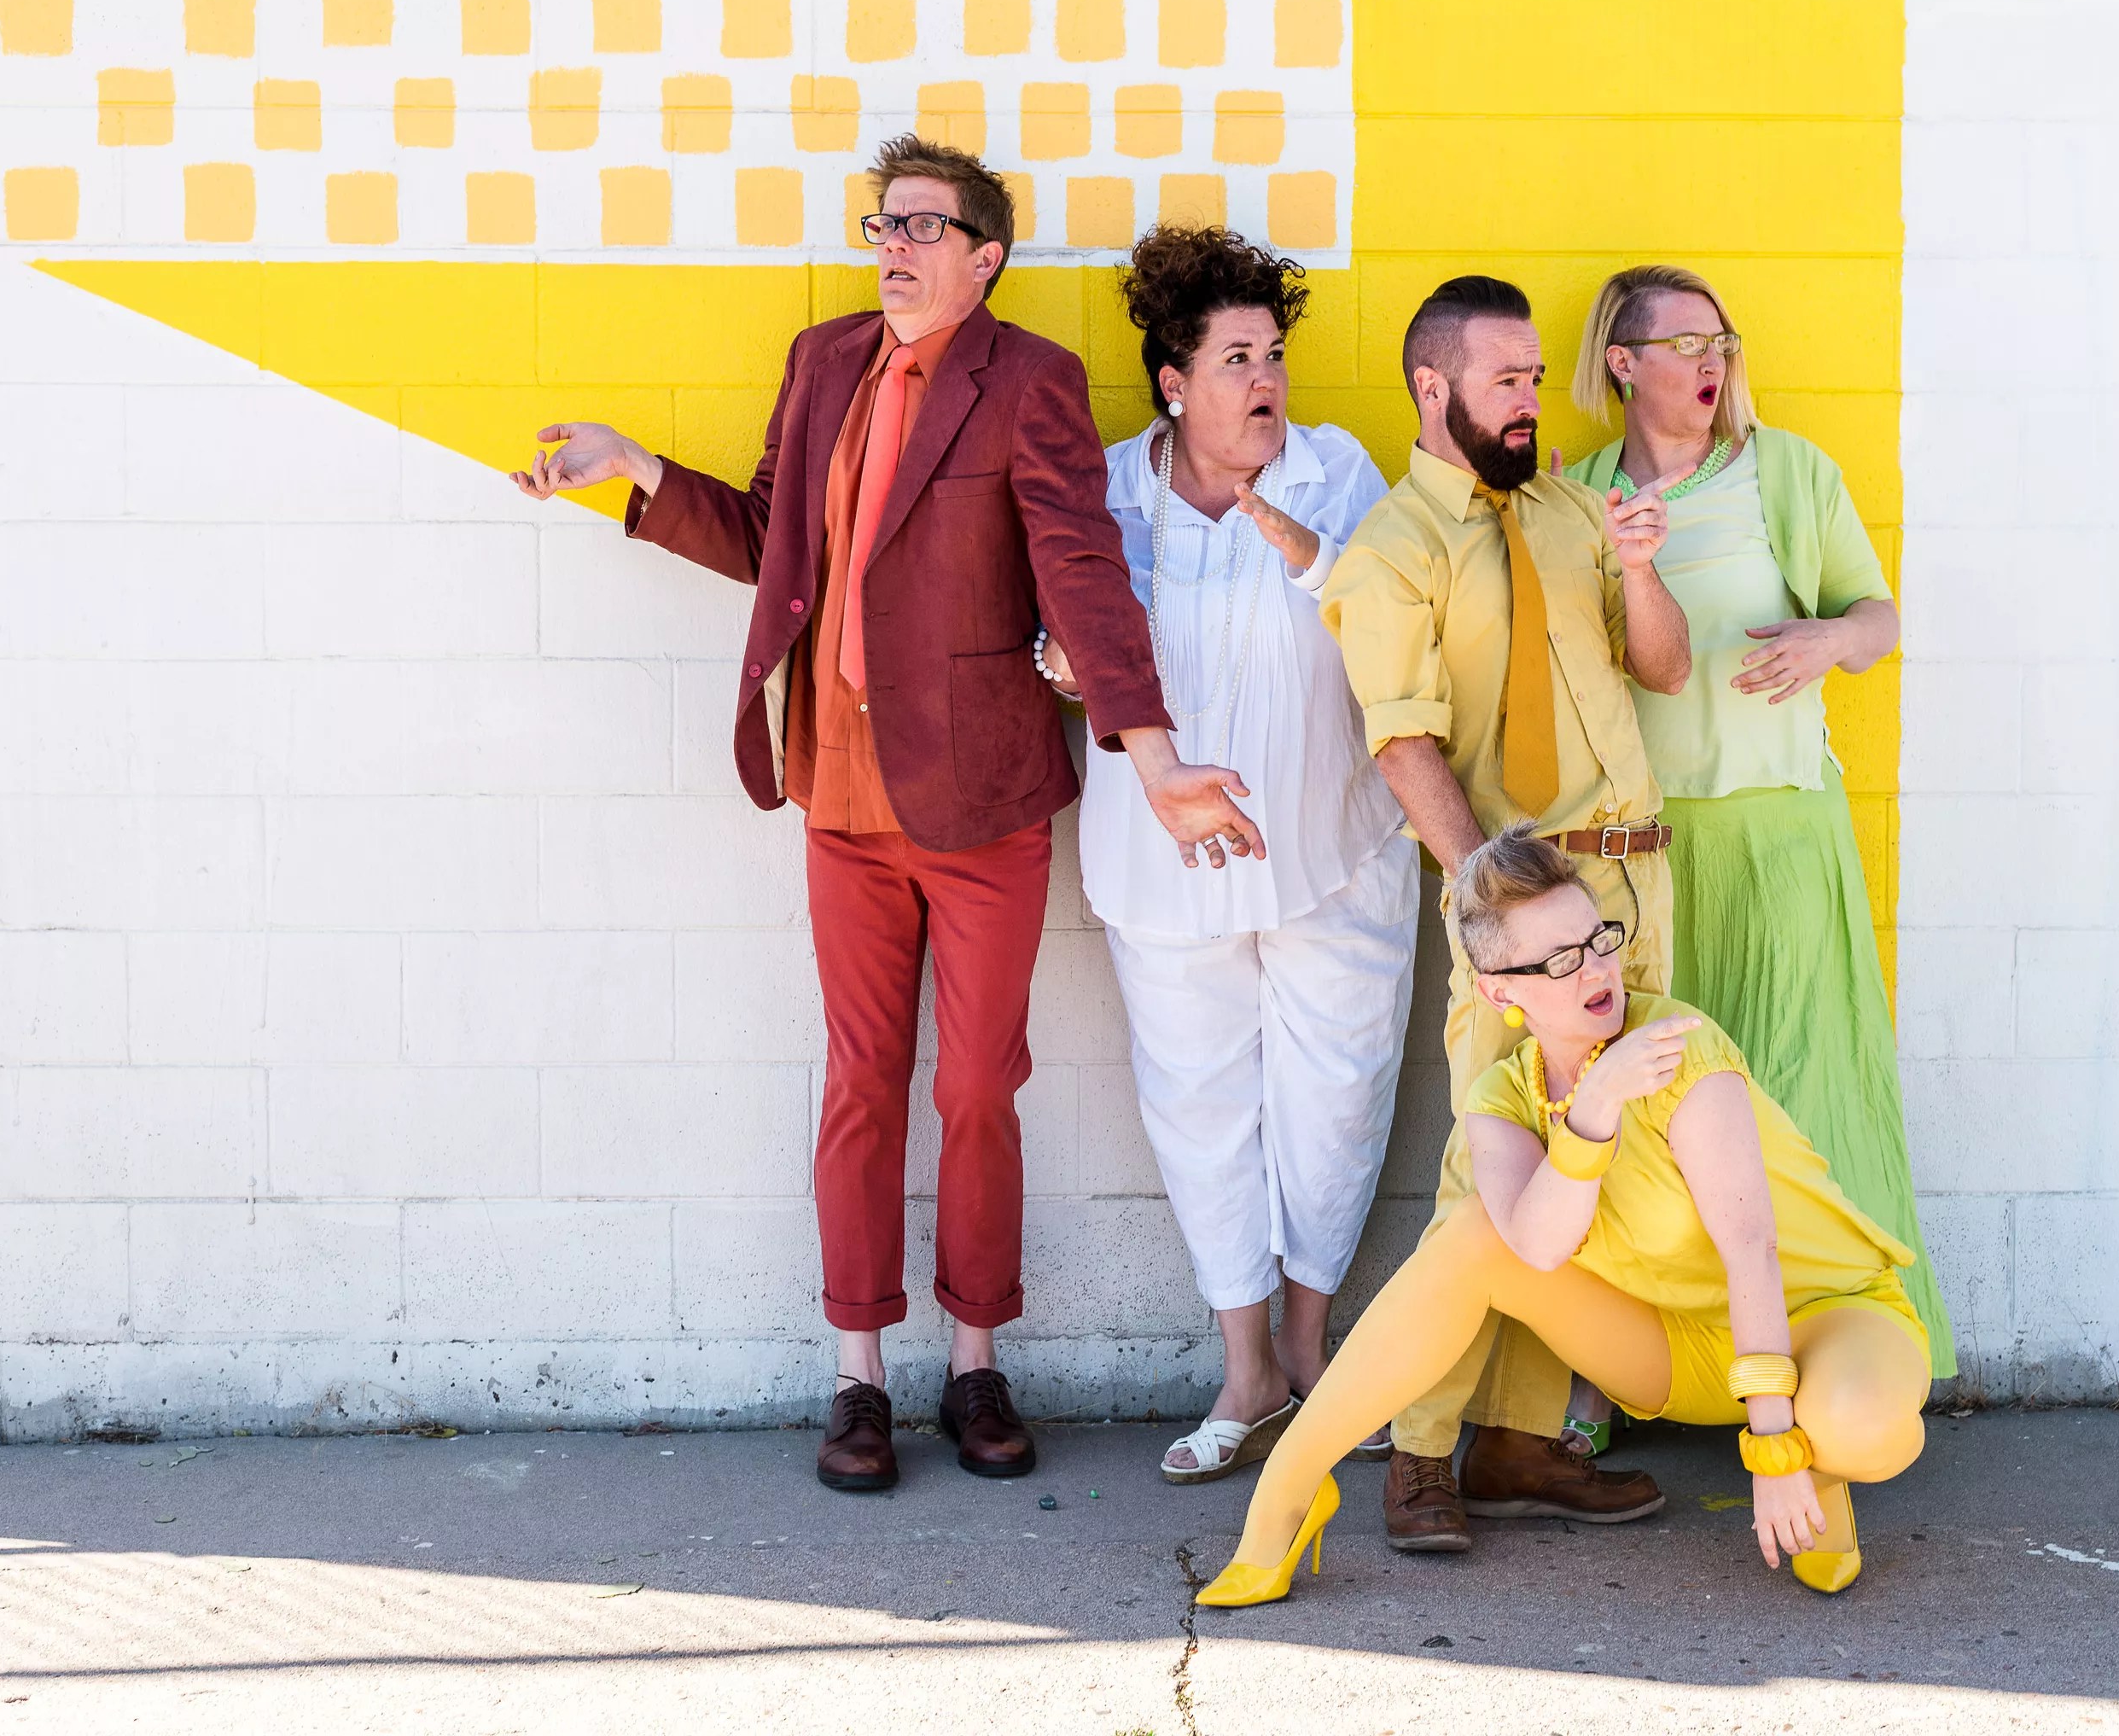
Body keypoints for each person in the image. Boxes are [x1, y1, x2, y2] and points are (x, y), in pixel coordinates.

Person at [511, 136, 1266, 1494]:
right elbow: (770, 544)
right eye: (883, 221)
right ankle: (858, 1375)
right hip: (840, 793)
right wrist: (635, 472)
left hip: (982, 803)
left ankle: (974, 1361)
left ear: (986, 256)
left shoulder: (1030, 380)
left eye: (924, 225)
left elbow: (1083, 577)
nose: (894, 243)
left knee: (978, 1087)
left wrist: (1152, 758)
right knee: (860, 1084)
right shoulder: (823, 365)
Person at [1194, 824, 1933, 1610]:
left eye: (1598, 940)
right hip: (1680, 1353)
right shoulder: (1504, 1100)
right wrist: (1596, 1108)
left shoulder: (1680, 1049)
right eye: (1558, 960)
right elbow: (1539, 1247)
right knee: (1476, 1233)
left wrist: (1779, 1452)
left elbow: (1751, 1248)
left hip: (1828, 1316)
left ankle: (1820, 1463)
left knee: (1866, 1429)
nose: (1597, 971)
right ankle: (1288, 1492)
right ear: (1499, 992)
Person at [1318, 276, 1691, 1551]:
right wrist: (1502, 917)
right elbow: (1405, 746)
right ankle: (1419, 1450)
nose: (1532, 401)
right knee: (1491, 1175)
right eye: (1506, 381)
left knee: (1600, 1170)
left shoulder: (1576, 511)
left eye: (1536, 378)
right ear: (1434, 389)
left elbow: (1664, 666)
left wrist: (1642, 572)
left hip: (1635, 883)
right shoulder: (1391, 555)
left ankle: (1526, 1443)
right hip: (1518, 907)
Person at [1038, 226, 1414, 1484]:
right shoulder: (1108, 491)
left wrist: (1296, 542)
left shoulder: (1334, 471)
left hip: (1333, 846)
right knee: (1200, 1112)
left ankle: (1311, 1352)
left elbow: (1389, 618)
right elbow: (1062, 633)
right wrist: (1061, 664)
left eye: (1276, 356)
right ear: (1174, 383)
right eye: (1238, 357)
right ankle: (1245, 1367)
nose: (1267, 381)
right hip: (1167, 866)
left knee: (1338, 1098)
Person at [1561, 265, 1953, 1374]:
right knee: (1658, 1110)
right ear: (1623, 363)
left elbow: (1875, 617)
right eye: (1685, 343)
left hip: (1782, 834)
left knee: (1799, 1087)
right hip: (1649, 853)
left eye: (1721, 340)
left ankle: (1844, 1348)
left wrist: (1830, 641)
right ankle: (1645, 1367)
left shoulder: (1784, 474)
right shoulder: (1583, 491)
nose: (1713, 361)